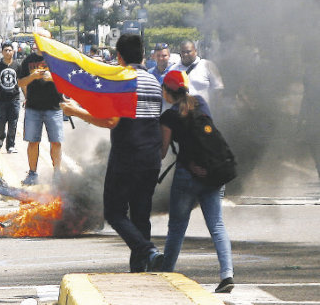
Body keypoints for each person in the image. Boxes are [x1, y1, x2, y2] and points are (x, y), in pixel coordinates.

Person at [61, 34, 164, 273]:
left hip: (127, 157)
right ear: (143, 54)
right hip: (151, 158)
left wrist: (76, 111)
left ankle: (148, 251)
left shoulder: (123, 81)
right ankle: (141, 269)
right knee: (141, 215)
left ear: (119, 57)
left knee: (114, 212)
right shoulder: (153, 81)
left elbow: (110, 121)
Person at [159, 70, 234, 293]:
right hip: (212, 173)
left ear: (168, 92)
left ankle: (166, 273)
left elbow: (162, 152)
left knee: (177, 228)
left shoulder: (169, 117)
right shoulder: (200, 102)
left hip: (187, 176)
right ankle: (227, 274)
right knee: (217, 225)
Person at [17, 35, 63, 186]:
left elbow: (67, 80)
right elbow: (20, 82)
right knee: (33, 141)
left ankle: (57, 173)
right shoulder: (27, 61)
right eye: (39, 38)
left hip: (54, 107)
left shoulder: (57, 58)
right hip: (33, 108)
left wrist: (53, 78)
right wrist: (32, 77)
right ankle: (32, 173)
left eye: (45, 37)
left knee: (56, 141)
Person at [170, 41, 224, 107]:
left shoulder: (207, 65)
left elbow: (218, 90)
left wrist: (216, 110)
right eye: (183, 52)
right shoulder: (173, 69)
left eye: (188, 52)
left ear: (195, 51)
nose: (185, 54)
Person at [0, 42, 20, 153]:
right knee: (0, 122)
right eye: (5, 50)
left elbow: (22, 83)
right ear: (2, 52)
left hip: (14, 100)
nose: (8, 52)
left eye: (10, 50)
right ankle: (1, 136)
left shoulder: (17, 66)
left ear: (13, 51)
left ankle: (10, 145)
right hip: (1, 100)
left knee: (13, 123)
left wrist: (27, 97)